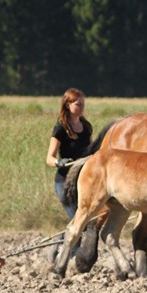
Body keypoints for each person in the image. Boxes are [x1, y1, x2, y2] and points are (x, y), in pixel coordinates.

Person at [46, 88, 93, 219]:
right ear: (68, 105)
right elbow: (49, 158)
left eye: (83, 104)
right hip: (65, 182)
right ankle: (68, 239)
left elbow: (92, 151)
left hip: (83, 180)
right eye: (78, 104)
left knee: (83, 222)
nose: (82, 107)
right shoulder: (61, 128)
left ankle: (66, 239)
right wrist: (59, 162)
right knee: (77, 220)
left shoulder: (87, 127)